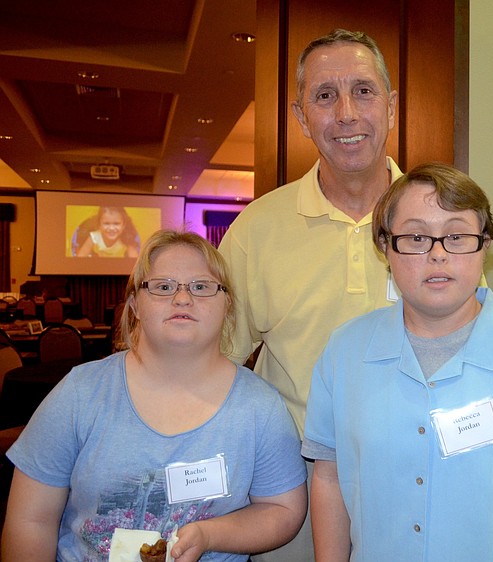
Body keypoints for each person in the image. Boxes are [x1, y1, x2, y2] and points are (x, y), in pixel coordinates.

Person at [302, 162, 493, 561]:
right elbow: (328, 477)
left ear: (485, 246)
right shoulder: (344, 352)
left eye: (457, 236)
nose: (438, 255)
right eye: (415, 237)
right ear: (384, 246)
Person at [2, 230, 307, 562]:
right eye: (163, 287)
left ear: (227, 305)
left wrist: (209, 535)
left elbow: (281, 510)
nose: (182, 298)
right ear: (134, 304)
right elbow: (30, 521)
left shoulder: (260, 407)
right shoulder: (80, 394)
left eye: (201, 287)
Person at [217, 29, 400, 561]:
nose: (345, 113)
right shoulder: (257, 228)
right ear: (301, 117)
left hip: (415, 473)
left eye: (364, 91)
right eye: (324, 95)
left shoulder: (437, 221)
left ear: (391, 108)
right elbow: (212, 359)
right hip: (289, 487)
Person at [74, 206, 141, 258]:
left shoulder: (126, 238)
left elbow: (135, 261)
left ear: (123, 225)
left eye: (116, 224)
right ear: (99, 225)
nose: (111, 228)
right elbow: (80, 257)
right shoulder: (94, 238)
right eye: (106, 223)